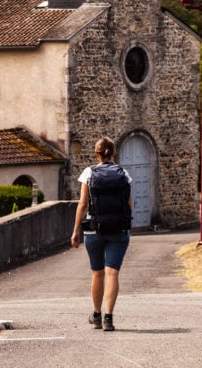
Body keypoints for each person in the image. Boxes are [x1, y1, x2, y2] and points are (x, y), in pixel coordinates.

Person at [70, 137, 132, 332]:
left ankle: (96, 315)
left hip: (94, 230)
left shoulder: (88, 173)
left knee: (97, 273)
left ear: (96, 154)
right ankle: (108, 318)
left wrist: (75, 231)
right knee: (112, 272)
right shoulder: (124, 173)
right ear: (113, 153)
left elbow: (82, 204)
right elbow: (129, 205)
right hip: (118, 230)